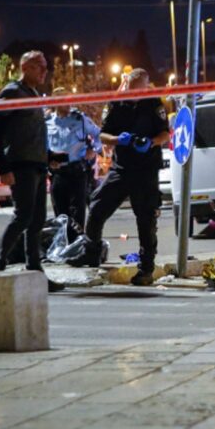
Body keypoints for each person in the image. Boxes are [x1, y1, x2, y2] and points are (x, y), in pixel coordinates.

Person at [67, 68, 170, 286]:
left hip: (145, 170)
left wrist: (150, 142)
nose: (134, 95)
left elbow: (165, 133)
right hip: (121, 169)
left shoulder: (153, 104)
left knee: (146, 220)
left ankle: (146, 269)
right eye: (131, 90)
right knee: (96, 207)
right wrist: (116, 139)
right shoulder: (116, 104)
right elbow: (101, 134)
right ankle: (91, 252)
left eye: (138, 91)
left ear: (145, 87)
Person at [0, 51, 60, 291]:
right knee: (24, 215)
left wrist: (49, 158)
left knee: (37, 219)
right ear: (26, 67)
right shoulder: (12, 92)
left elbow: (34, 133)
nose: (44, 72)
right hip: (20, 164)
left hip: (37, 165)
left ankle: (35, 268)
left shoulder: (34, 94)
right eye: (40, 67)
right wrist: (3, 168)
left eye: (45, 67)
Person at [46, 87, 102, 229]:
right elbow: (41, 147)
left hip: (77, 172)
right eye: (64, 100)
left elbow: (98, 135)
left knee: (77, 218)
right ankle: (64, 248)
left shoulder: (80, 119)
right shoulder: (47, 122)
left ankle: (77, 248)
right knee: (60, 218)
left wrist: (93, 150)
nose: (69, 103)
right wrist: (48, 161)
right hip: (58, 174)